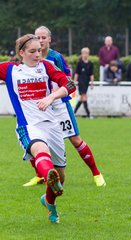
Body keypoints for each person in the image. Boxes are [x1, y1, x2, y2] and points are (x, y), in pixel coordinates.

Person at [0, 34, 76, 223]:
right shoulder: (10, 70)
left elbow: (70, 84)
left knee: (61, 176)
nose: (37, 55)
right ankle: (48, 173)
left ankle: (49, 201)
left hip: (52, 126)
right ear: (21, 53)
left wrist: (51, 97)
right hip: (29, 126)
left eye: (40, 51)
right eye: (32, 51)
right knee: (41, 150)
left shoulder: (47, 66)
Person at [22, 26, 106, 187]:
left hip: (59, 105)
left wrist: (56, 92)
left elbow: (67, 80)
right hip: (40, 107)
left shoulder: (56, 58)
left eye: (43, 38)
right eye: (37, 37)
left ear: (49, 40)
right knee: (34, 141)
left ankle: (96, 173)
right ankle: (40, 175)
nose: (40, 40)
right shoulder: (31, 57)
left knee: (75, 140)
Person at [74, 47, 94, 117]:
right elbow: (76, 73)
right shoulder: (80, 63)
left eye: (86, 53)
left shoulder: (90, 63)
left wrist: (92, 83)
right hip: (81, 82)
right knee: (84, 96)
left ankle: (74, 113)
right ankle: (88, 114)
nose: (85, 55)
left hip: (86, 82)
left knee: (82, 98)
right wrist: (74, 82)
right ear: (82, 54)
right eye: (84, 53)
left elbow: (91, 74)